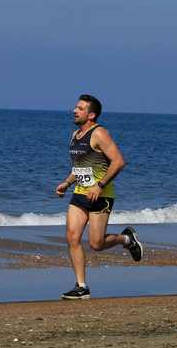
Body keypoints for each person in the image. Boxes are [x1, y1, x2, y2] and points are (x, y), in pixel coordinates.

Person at [56, 94, 143, 300]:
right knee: (72, 237)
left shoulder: (99, 133)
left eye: (80, 108)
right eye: (75, 107)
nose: (75, 110)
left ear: (91, 114)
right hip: (79, 194)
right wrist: (67, 183)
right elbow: (80, 167)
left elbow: (119, 161)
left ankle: (126, 238)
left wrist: (100, 185)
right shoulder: (75, 135)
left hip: (100, 195)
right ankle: (81, 286)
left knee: (96, 244)